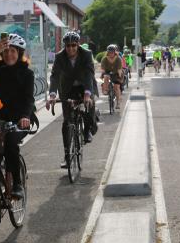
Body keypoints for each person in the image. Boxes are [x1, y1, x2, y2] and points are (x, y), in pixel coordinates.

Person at [0, 33, 34, 199]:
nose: (9, 54)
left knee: (10, 143)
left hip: (20, 119)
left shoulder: (27, 73)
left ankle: (17, 184)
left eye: (13, 51)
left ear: (19, 53)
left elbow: (28, 98)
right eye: (6, 51)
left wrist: (25, 116)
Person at [47, 30, 96, 168]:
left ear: (78, 44)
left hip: (84, 85)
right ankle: (67, 156)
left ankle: (88, 130)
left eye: (74, 45)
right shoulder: (59, 56)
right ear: (64, 46)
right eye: (68, 46)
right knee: (67, 121)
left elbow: (89, 73)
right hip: (67, 88)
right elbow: (55, 76)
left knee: (89, 105)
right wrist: (52, 95)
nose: (71, 48)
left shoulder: (86, 54)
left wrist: (87, 93)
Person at [100, 44, 123, 109]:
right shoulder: (104, 59)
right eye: (109, 52)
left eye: (112, 52)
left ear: (114, 52)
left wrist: (119, 77)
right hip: (107, 73)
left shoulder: (118, 59)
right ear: (107, 52)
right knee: (106, 76)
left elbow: (119, 70)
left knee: (116, 87)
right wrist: (103, 74)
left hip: (116, 73)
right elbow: (103, 69)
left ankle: (118, 102)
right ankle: (106, 89)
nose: (111, 54)